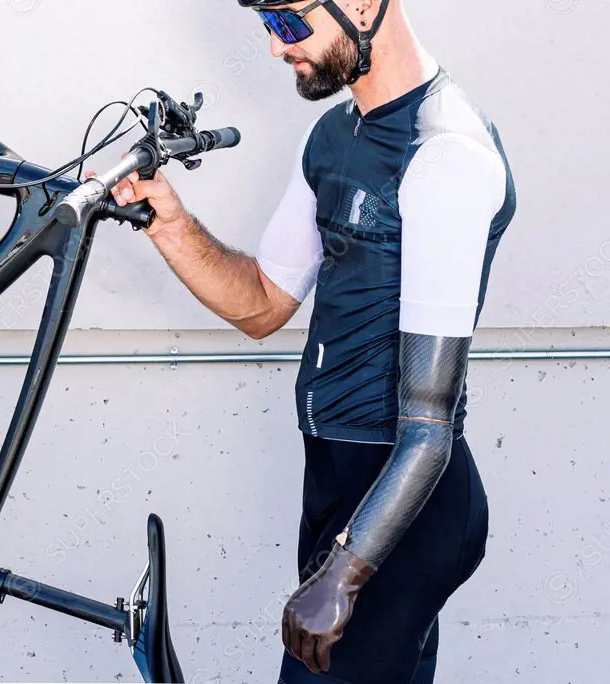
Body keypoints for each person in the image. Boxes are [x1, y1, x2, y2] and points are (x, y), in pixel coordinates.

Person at [99, 1, 517, 682]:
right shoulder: (331, 137)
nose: (274, 46)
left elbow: (429, 427)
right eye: (266, 23)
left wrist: (346, 572)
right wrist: (167, 223)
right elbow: (263, 303)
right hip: (337, 482)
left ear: (359, 5)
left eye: (288, 22)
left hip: (402, 506)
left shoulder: (445, 155)